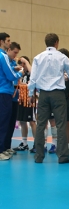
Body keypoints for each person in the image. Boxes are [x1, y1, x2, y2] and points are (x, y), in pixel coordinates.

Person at [28, 33, 69, 163]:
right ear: (57, 43)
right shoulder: (62, 57)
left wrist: (30, 95)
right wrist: (64, 75)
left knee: (40, 125)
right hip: (58, 94)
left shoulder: (38, 57)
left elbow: (32, 79)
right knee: (61, 124)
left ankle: (39, 156)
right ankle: (62, 156)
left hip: (43, 94)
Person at [0, 33, 24, 161]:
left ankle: (4, 147)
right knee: (3, 122)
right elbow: (10, 76)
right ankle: (1, 149)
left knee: (6, 121)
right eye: (8, 41)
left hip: (5, 92)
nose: (9, 42)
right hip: (4, 92)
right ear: (2, 42)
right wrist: (20, 72)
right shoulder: (2, 56)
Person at [13, 56, 37, 152]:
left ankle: (36, 143)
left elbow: (34, 78)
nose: (22, 65)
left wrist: (26, 62)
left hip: (30, 100)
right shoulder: (19, 74)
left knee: (32, 121)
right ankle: (24, 143)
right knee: (22, 121)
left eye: (23, 63)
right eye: (20, 63)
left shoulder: (31, 73)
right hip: (21, 100)